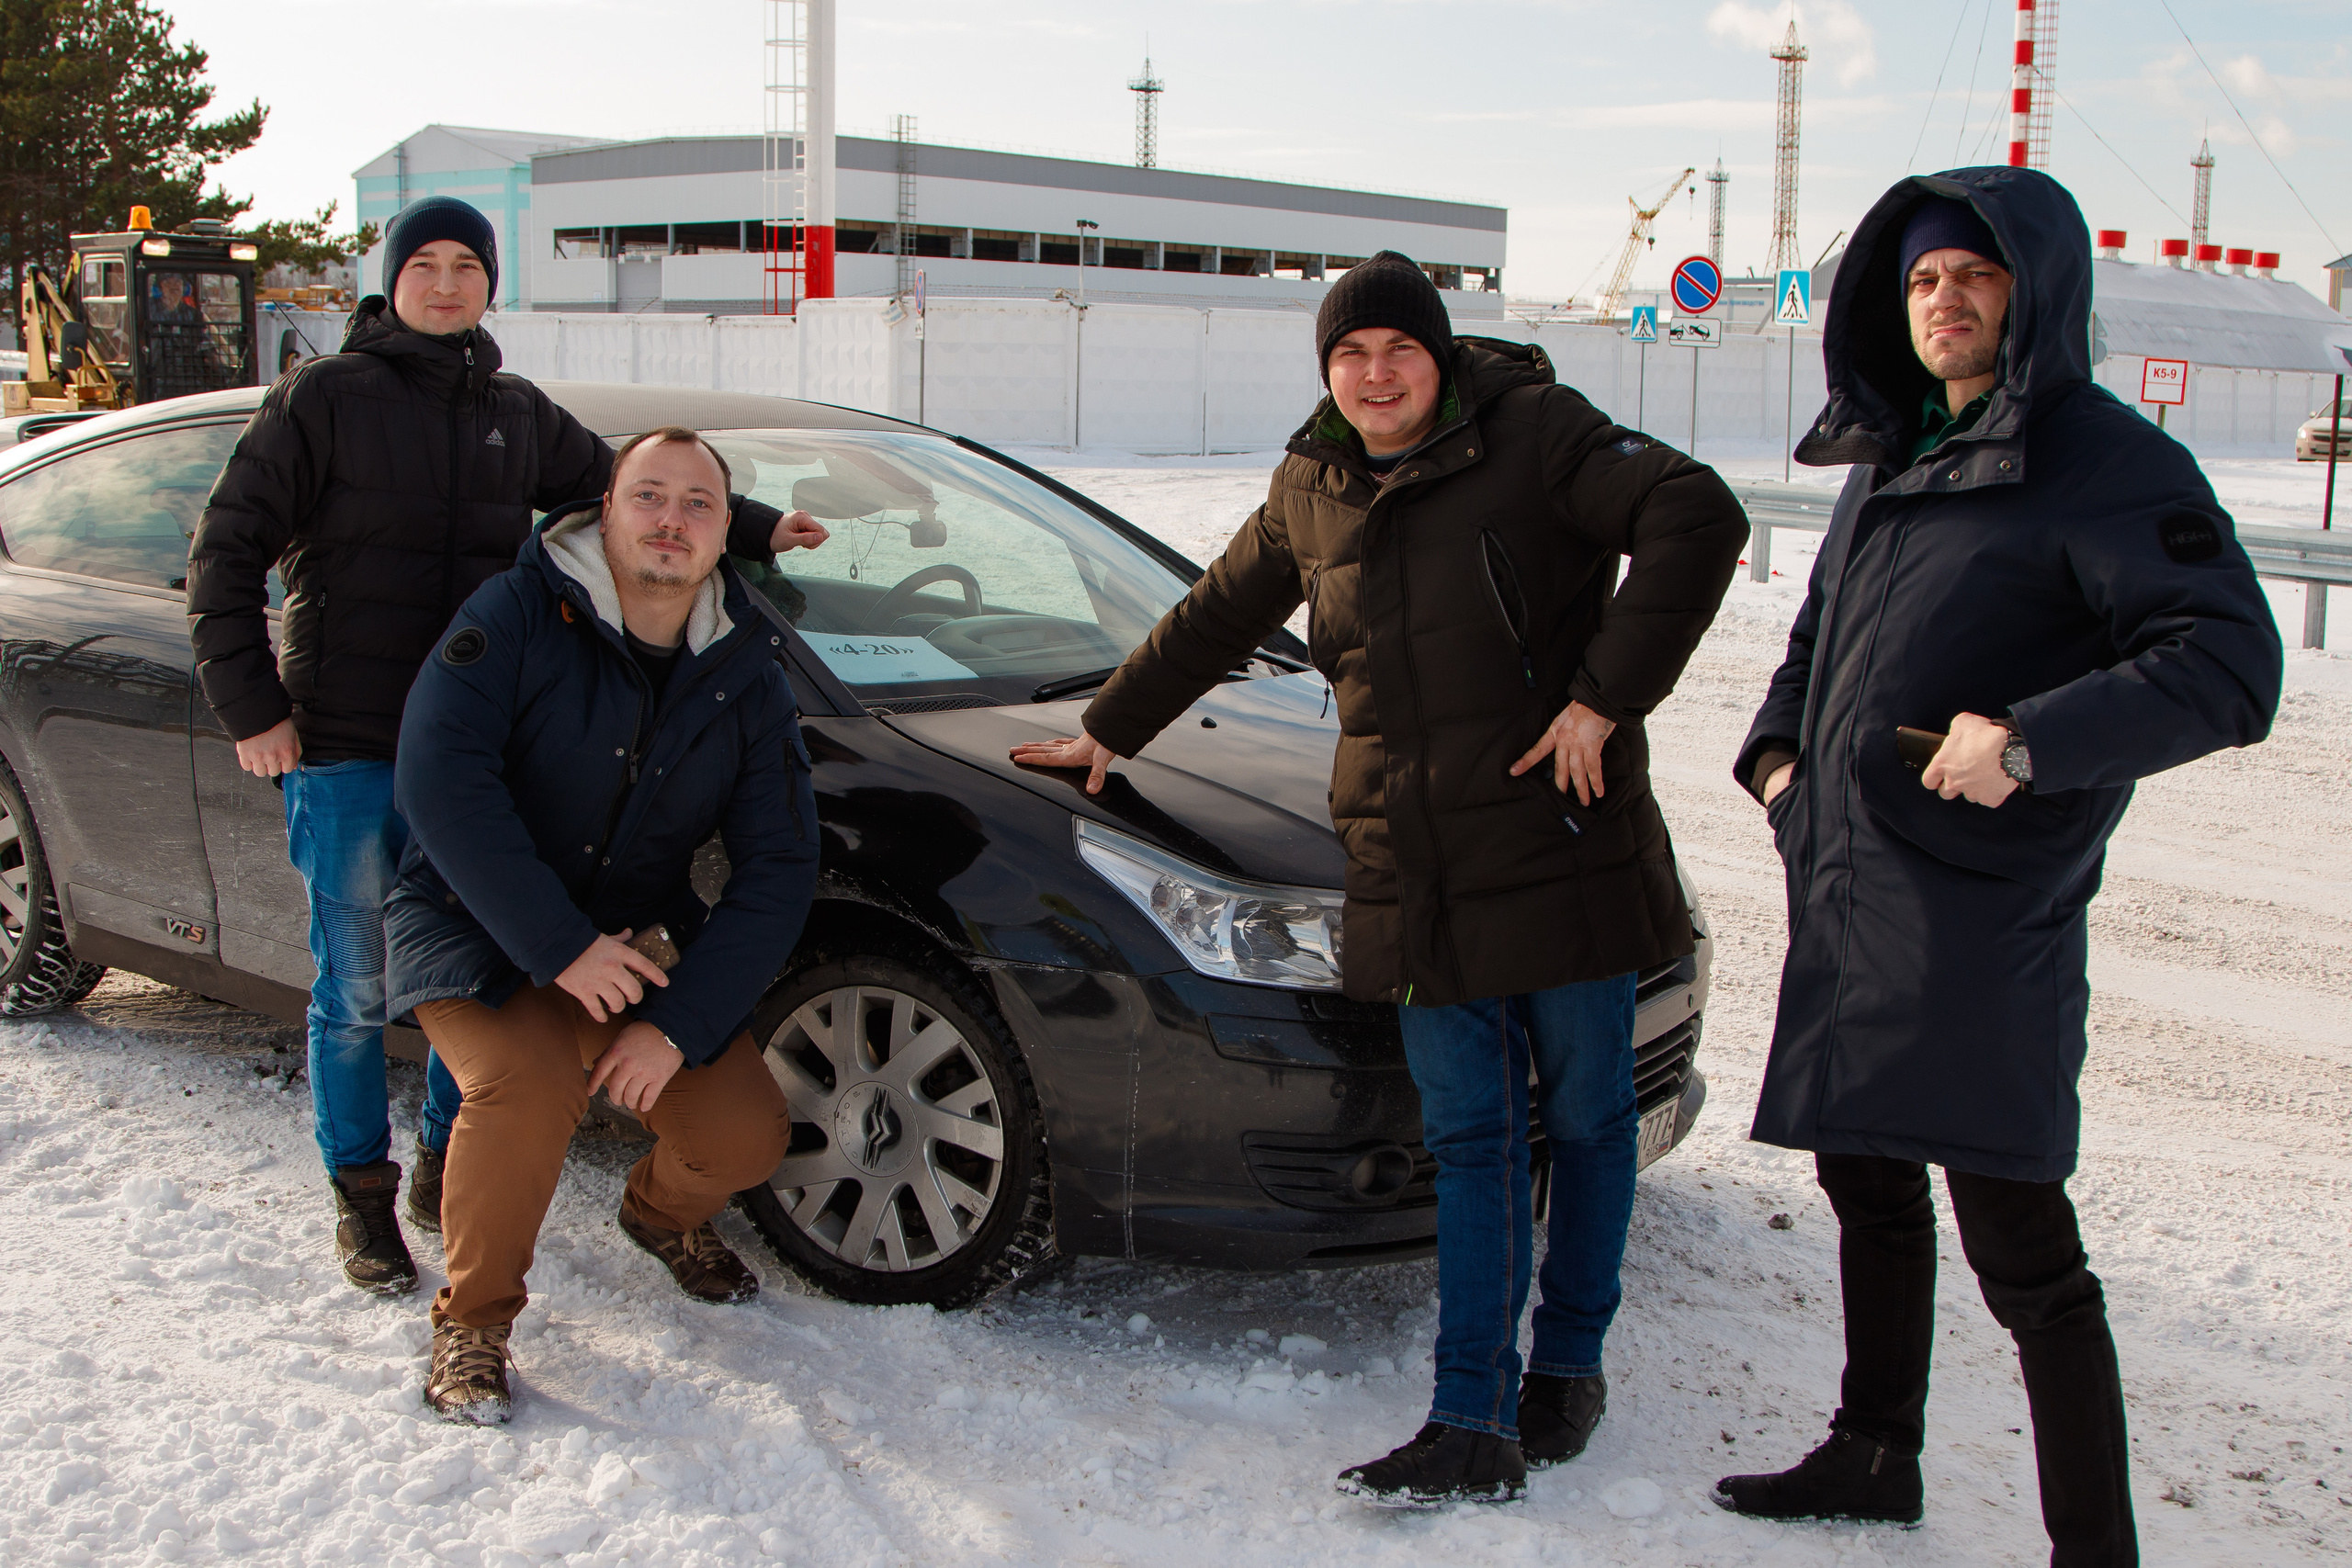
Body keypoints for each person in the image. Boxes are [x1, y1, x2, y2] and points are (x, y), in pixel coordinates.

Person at [1012, 251, 1748, 1506]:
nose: (1374, 373)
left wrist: (1601, 697)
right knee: (1470, 1137)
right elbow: (1219, 607)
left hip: (1556, 837)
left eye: (1398, 348)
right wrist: (1112, 727)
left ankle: (1565, 1365)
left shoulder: (1537, 431)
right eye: (1349, 355)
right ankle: (1471, 1410)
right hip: (1407, 855)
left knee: (1584, 1116)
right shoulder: (1316, 478)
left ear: (1442, 354)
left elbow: (1698, 515)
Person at [1718, 170, 2282, 1564]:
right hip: (1848, 892)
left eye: (1976, 273)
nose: (1946, 298)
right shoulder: (1894, 455)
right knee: (1863, 1174)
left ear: (2036, 292)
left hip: (1980, 912)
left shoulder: (2104, 460)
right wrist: (1780, 765)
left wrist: (2032, 740)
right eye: (1919, 278)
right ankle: (1873, 1446)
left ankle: (2094, 1544)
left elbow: (2228, 665)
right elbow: (1815, 644)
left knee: (2022, 1245)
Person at [187, 196, 824, 1296]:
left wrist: (755, 525)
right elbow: (227, 547)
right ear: (389, 282)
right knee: (356, 982)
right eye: (421, 264)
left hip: (488, 744)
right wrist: (253, 707)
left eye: (465, 267)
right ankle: (362, 1195)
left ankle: (447, 1157)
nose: (443, 284)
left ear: (490, 285)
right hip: (351, 739)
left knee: (474, 966)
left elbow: (623, 486)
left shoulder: (512, 412)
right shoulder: (324, 400)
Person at [384, 426, 820, 1425]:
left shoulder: (744, 667)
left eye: (698, 504)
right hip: (479, 927)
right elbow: (439, 781)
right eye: (648, 496)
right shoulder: (518, 612)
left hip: (631, 941)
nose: (671, 519)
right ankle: (474, 1323)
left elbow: (781, 864)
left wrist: (679, 1025)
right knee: (526, 1086)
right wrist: (558, 947)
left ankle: (656, 1216)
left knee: (745, 1135)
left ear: (724, 537)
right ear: (605, 513)